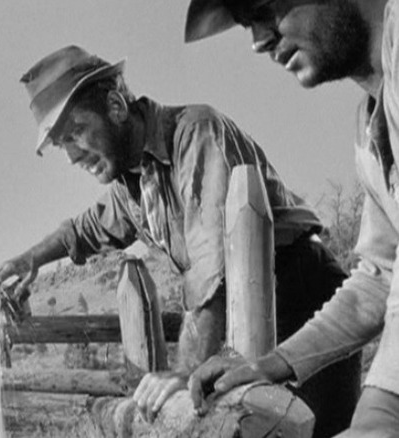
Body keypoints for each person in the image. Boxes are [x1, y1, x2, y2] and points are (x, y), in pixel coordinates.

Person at [0, 45, 360, 436]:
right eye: (62, 144)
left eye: (75, 133)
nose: (72, 156)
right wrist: (30, 260)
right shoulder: (132, 181)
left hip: (304, 302)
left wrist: (184, 372)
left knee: (317, 431)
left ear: (115, 106)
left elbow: (210, 269)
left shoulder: (196, 134)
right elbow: (85, 229)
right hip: (246, 320)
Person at [184, 0, 399, 436]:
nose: (259, 41)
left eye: (263, 10)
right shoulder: (369, 126)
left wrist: (383, 404)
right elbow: (379, 273)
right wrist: (274, 364)